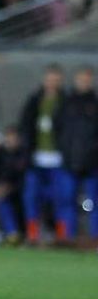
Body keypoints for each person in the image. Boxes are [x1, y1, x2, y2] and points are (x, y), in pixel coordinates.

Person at [18, 64, 70, 242]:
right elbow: (25, 127)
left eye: (56, 80)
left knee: (61, 199)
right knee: (31, 197)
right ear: (44, 80)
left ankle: (62, 235)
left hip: (59, 159)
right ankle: (32, 233)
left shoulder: (66, 102)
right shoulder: (34, 100)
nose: (52, 83)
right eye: (49, 79)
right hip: (36, 159)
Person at [59, 65, 98, 239]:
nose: (84, 82)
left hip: (93, 163)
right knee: (66, 201)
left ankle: (95, 239)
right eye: (81, 79)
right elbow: (57, 129)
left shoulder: (95, 103)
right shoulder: (66, 103)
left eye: (87, 80)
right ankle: (68, 238)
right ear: (75, 80)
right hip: (68, 162)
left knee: (94, 202)